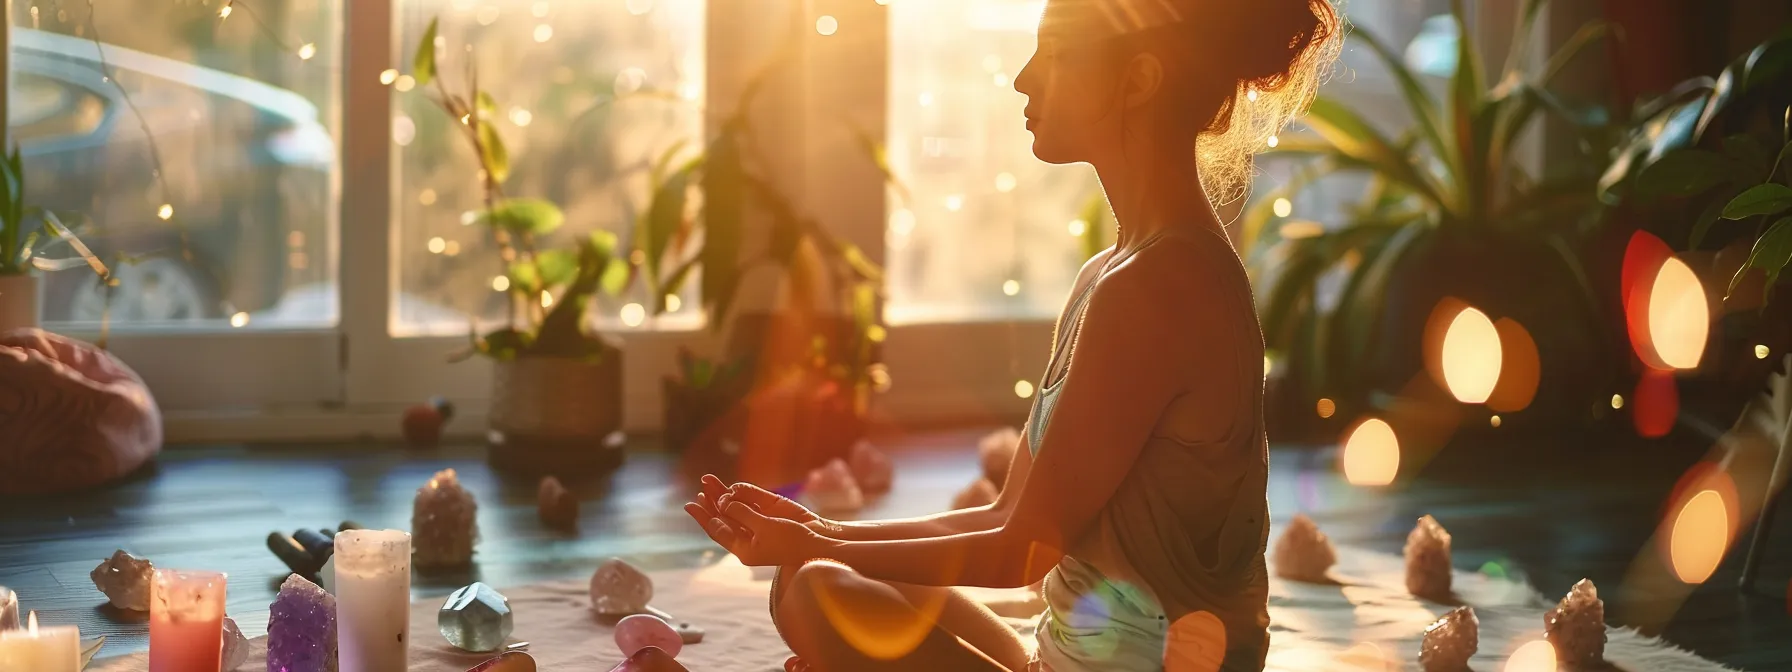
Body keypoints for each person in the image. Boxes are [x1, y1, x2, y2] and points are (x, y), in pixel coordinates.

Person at [685, 0, 1342, 669]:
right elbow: (1008, 512)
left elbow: (1020, 550)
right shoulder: (1110, 273)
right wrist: (817, 530)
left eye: (1054, 54)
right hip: (1064, 653)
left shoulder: (1160, 286)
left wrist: (818, 546)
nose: (1025, 79)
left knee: (815, 591)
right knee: (810, 579)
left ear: (1138, 80)